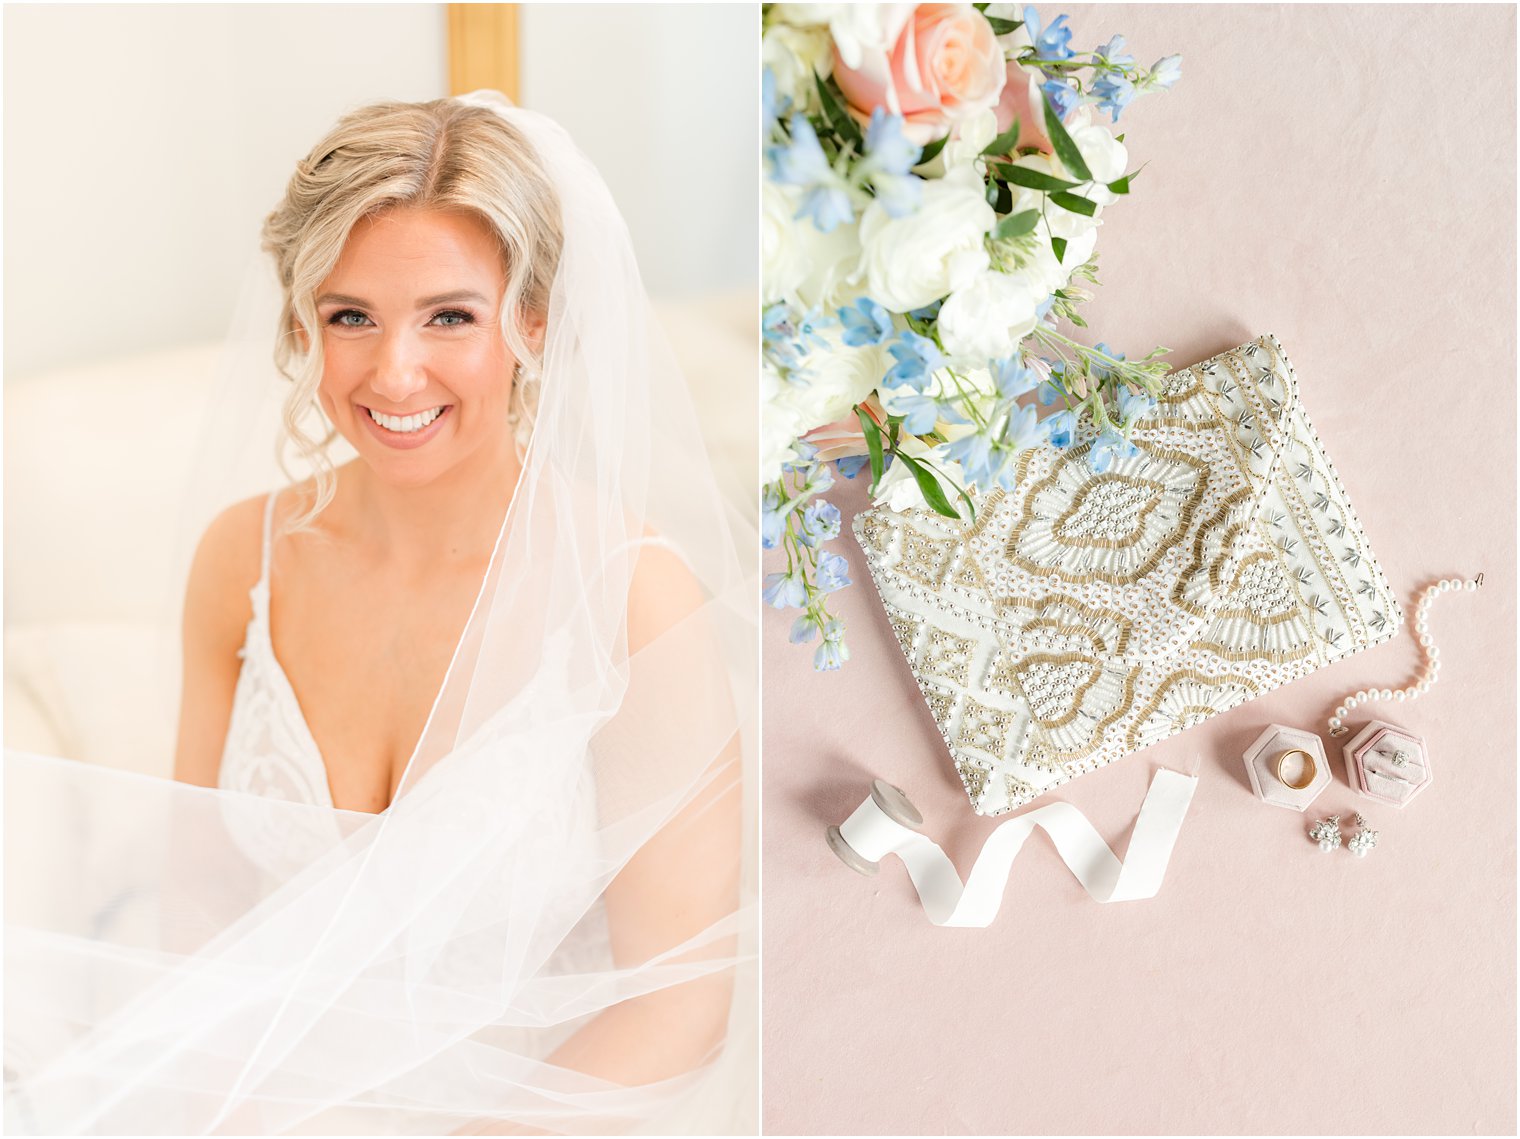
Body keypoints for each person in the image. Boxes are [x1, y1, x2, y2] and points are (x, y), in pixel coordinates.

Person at [4, 92, 756, 1135]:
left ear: (530, 322)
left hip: (548, 1107)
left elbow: (677, 1003)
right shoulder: (243, 558)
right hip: (276, 1084)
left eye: (449, 315)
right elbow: (207, 905)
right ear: (303, 321)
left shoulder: (629, 594)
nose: (392, 371)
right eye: (350, 314)